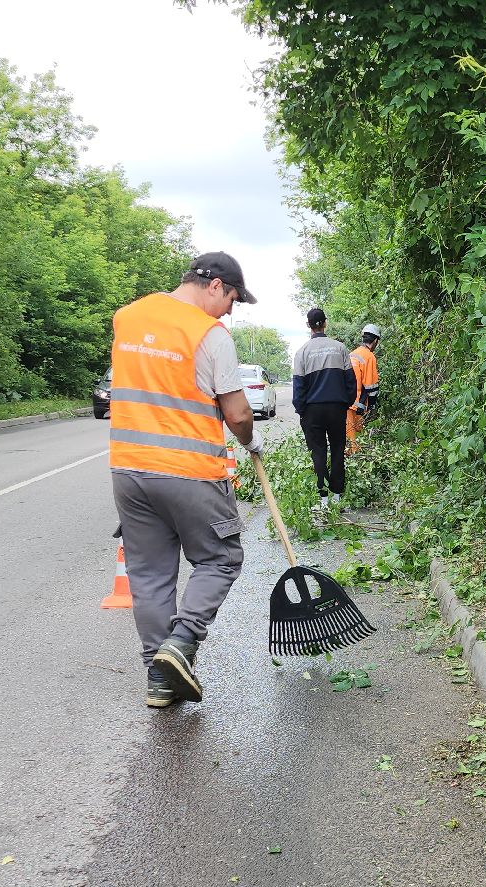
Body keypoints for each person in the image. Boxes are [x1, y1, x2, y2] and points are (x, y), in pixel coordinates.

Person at [109, 252, 261, 709]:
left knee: (150, 575)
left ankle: (159, 678)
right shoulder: (210, 334)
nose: (231, 310)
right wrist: (251, 442)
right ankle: (182, 644)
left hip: (129, 469)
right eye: (232, 298)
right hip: (191, 471)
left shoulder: (128, 318)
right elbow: (236, 413)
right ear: (214, 285)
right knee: (220, 558)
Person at [290, 307, 355, 512]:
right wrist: (345, 403)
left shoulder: (302, 353)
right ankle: (337, 497)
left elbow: (298, 387)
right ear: (325, 323)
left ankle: (323, 500)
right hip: (337, 408)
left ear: (308, 325)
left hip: (312, 411)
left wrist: (302, 411)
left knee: (318, 452)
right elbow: (350, 382)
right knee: (337, 450)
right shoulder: (340, 348)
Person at [346, 324, 382, 456]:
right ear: (375, 341)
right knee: (355, 438)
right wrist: (372, 404)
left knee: (348, 435)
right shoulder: (369, 356)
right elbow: (371, 385)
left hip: (345, 401)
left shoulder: (352, 354)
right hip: (358, 404)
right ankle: (355, 458)